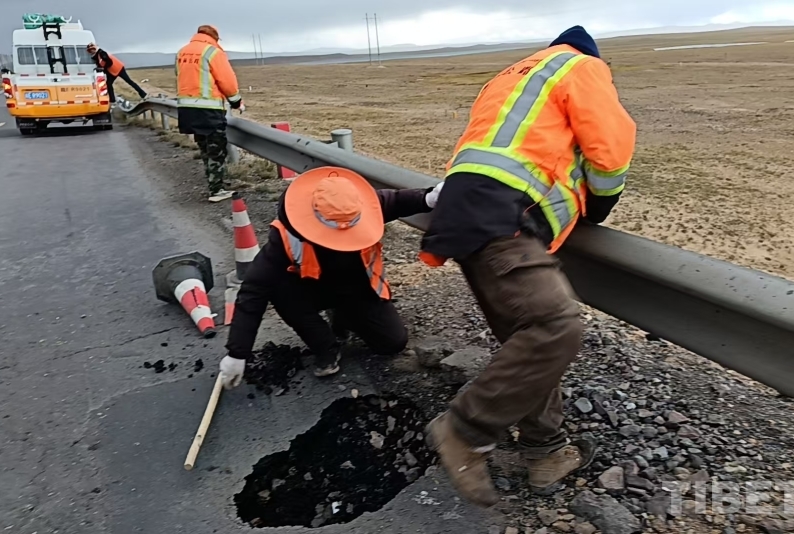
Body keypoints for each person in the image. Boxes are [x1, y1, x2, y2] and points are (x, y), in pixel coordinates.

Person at [417, 25, 637, 507]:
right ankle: (464, 430)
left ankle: (545, 451)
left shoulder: (512, 74)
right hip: (505, 212)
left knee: (530, 344)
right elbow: (609, 148)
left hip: (464, 207)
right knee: (555, 327)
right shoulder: (582, 66)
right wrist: (600, 205)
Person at [218, 166, 445, 386]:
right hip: (309, 289)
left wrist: (429, 197)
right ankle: (326, 347)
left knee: (392, 343)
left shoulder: (363, 204)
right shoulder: (285, 236)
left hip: (355, 287)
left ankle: (345, 317)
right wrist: (237, 353)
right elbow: (253, 291)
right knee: (279, 291)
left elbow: (396, 200)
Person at [175, 25, 244, 202]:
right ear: (215, 37)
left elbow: (179, 75)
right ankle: (216, 190)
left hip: (187, 109)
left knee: (205, 148)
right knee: (216, 149)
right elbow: (227, 81)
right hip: (208, 110)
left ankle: (214, 182)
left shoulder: (182, 52)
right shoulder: (213, 52)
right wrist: (236, 102)